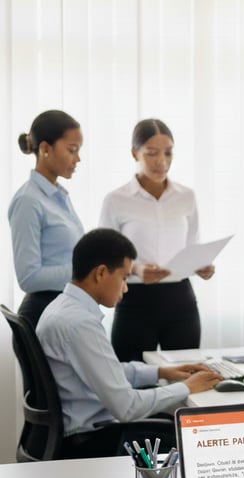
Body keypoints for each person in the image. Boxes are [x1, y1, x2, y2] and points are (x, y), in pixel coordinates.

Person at [36, 228, 222, 458]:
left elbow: (107, 370)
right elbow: (127, 407)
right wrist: (188, 387)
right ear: (101, 273)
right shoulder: (79, 323)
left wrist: (163, 372)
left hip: (87, 431)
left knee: (172, 413)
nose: (126, 287)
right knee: (205, 438)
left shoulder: (61, 308)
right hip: (95, 440)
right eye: (124, 278)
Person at [99, 118, 215, 362]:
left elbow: (192, 247)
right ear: (135, 153)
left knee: (188, 378)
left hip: (180, 300)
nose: (161, 161)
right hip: (134, 301)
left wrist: (201, 265)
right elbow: (105, 258)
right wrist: (138, 269)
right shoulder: (116, 200)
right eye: (151, 153)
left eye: (168, 153)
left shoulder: (186, 197)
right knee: (133, 382)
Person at [8, 110, 85, 328]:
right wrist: (82, 272)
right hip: (43, 314)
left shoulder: (59, 195)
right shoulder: (28, 201)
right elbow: (28, 277)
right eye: (72, 150)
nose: (77, 159)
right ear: (44, 149)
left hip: (62, 310)